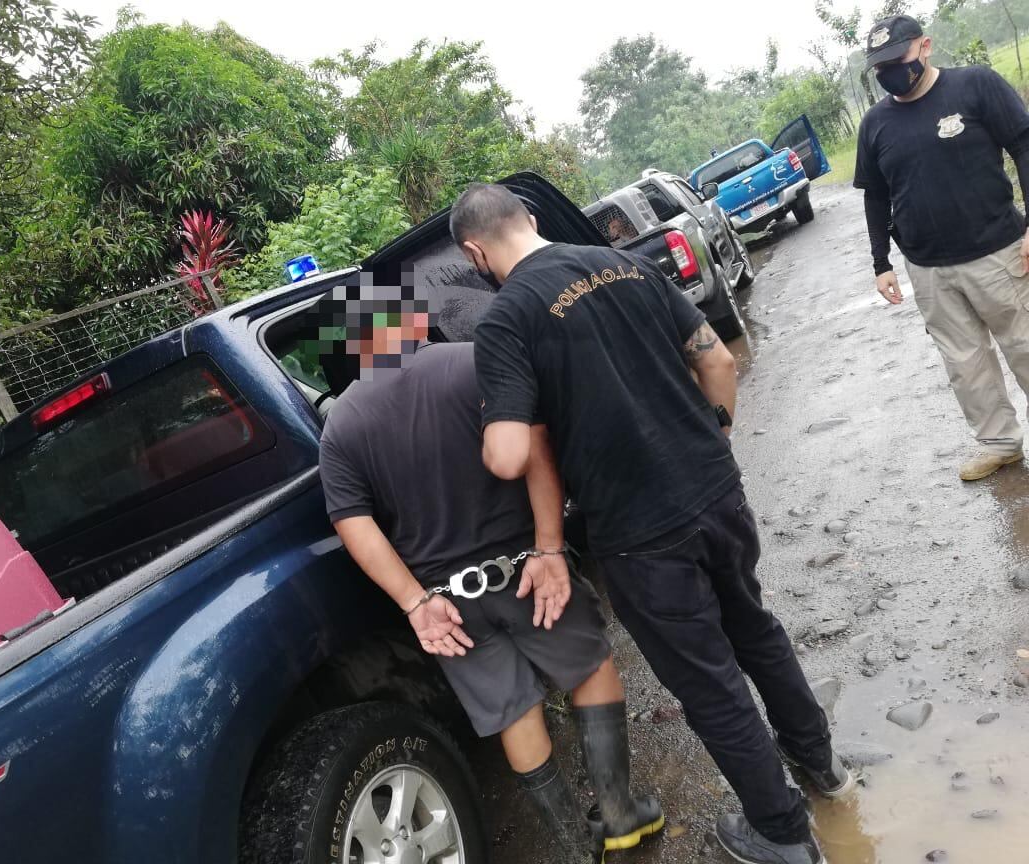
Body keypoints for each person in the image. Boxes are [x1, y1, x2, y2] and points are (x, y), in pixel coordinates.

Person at [451, 183, 853, 864]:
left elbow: (511, 452)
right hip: (715, 491)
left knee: (708, 682)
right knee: (754, 628)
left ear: (474, 252)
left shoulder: (507, 319)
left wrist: (492, 415)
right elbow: (718, 359)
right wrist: (712, 436)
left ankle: (783, 835)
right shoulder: (628, 265)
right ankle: (823, 767)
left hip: (639, 533)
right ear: (533, 220)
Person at [314, 280, 664, 864]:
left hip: (449, 606)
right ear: (408, 319)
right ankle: (621, 816)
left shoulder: (342, 426)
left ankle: (576, 850)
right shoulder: (474, 362)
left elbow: (355, 526)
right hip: (526, 574)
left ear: (351, 343)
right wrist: (550, 548)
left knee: (513, 713)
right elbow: (535, 455)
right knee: (591, 669)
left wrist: (414, 603)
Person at [855, 13, 1029, 482]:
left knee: (1024, 343)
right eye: (880, 66)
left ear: (925, 46)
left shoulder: (975, 85)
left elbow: (1024, 146)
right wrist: (880, 262)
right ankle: (1000, 443)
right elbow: (875, 194)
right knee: (964, 363)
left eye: (898, 58)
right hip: (929, 269)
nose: (890, 72)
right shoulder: (874, 124)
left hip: (999, 252)